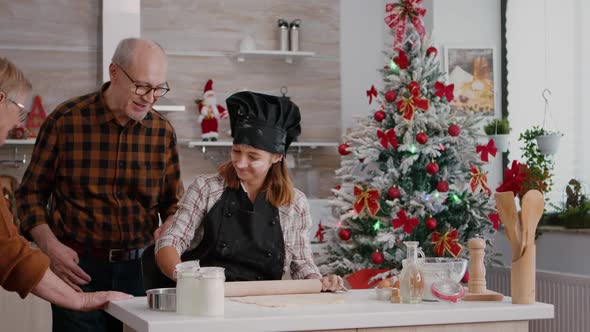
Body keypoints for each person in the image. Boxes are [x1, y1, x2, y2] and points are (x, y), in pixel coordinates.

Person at [15, 38, 184, 332]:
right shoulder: (65, 122)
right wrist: (49, 246)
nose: (150, 98)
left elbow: (175, 203)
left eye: (158, 88)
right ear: (114, 73)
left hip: (141, 271)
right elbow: (30, 195)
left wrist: (171, 222)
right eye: (142, 86)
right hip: (78, 270)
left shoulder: (162, 132)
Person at [155, 91, 345, 291]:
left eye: (253, 157)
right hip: (206, 297)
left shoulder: (294, 203)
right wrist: (184, 277)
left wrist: (320, 281)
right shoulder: (206, 188)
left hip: (264, 303)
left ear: (277, 157)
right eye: (236, 151)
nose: (240, 163)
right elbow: (171, 240)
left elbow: (302, 263)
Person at [0, 57, 131, 311]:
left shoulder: (162, 130)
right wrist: (80, 299)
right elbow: (9, 252)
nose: (19, 122)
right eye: (19, 109)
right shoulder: (64, 120)